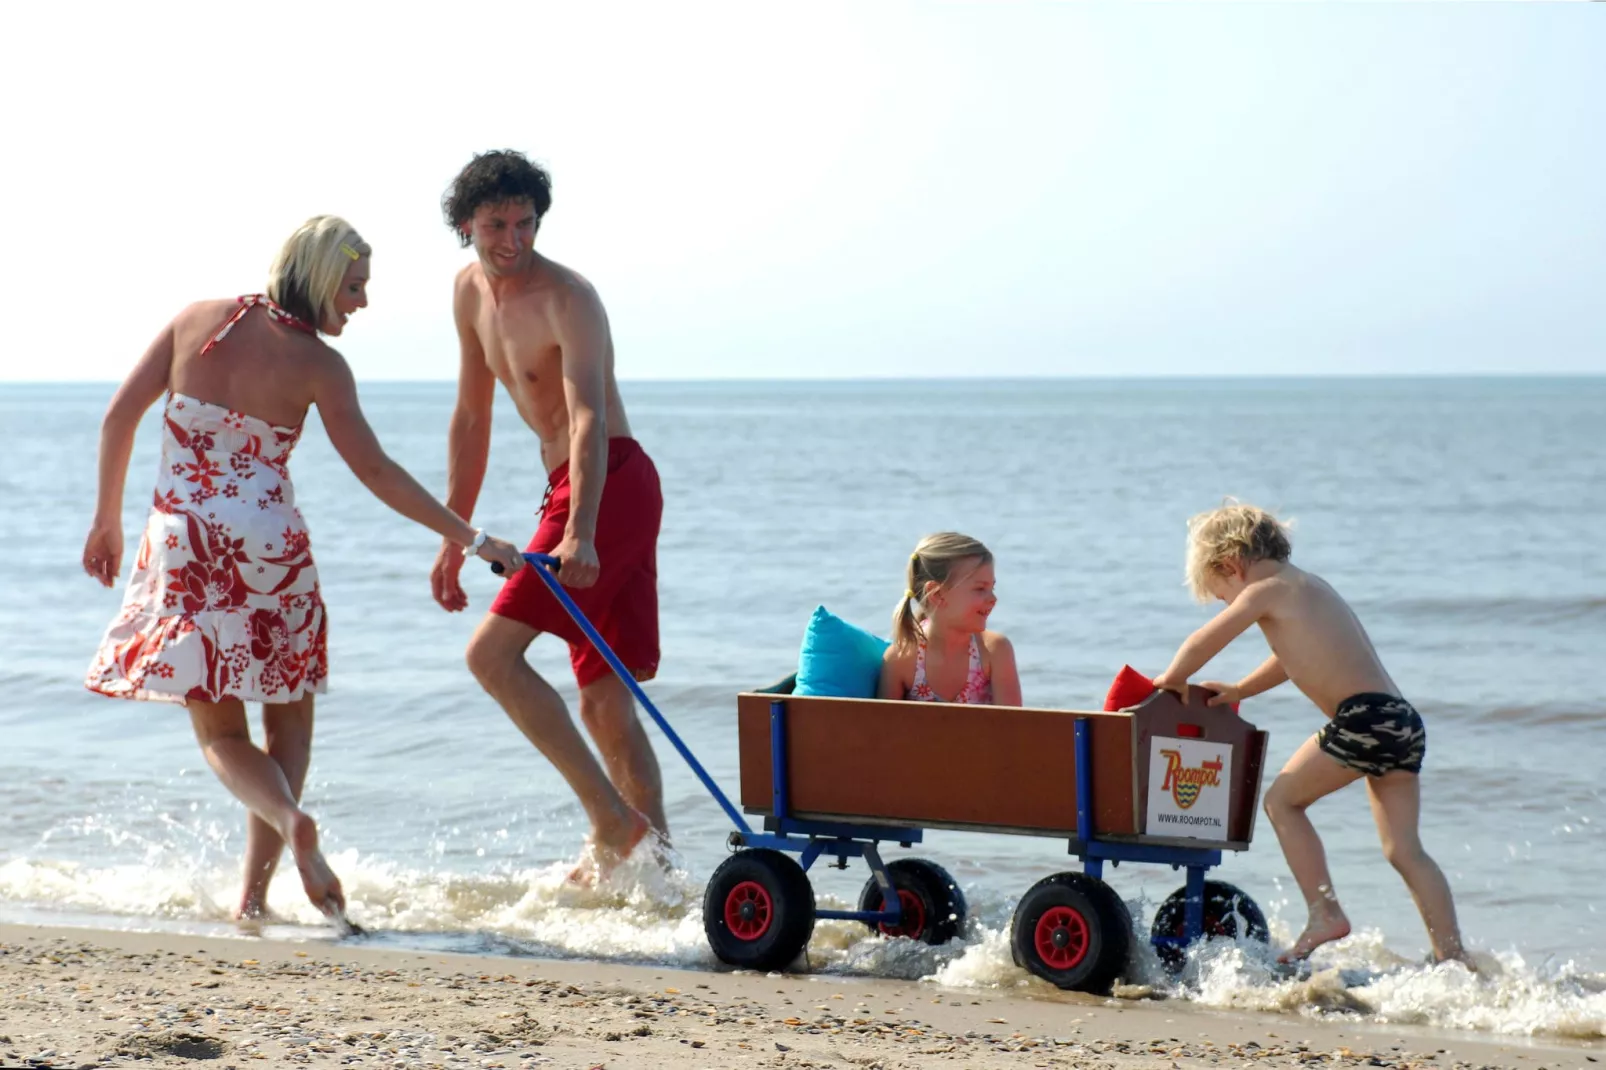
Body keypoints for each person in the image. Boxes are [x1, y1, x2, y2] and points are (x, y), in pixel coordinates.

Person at [82, 216, 526, 926]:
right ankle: (268, 868)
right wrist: (470, 538)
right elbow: (378, 472)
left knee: (223, 738)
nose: (362, 303)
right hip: (270, 553)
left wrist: (106, 519)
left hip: (187, 549)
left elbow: (118, 418)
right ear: (320, 279)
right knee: (287, 729)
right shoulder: (319, 366)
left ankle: (271, 865)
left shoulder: (198, 320)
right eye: (353, 288)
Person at [429, 150, 665, 883]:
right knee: (602, 703)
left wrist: (581, 530)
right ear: (464, 223)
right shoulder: (468, 293)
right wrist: (452, 536)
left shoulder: (570, 296)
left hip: (610, 487)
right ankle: (656, 873)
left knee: (490, 656)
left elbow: (589, 416)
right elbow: (472, 419)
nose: (513, 238)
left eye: (525, 222)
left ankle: (611, 826)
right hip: (570, 492)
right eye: (496, 223)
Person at [1151, 501, 1470, 965]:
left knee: (1281, 801)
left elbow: (1208, 638)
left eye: (1222, 594)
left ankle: (1325, 912)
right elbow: (1290, 657)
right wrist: (1242, 688)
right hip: (1402, 722)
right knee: (1404, 848)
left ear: (1231, 565)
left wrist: (1173, 678)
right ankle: (1452, 956)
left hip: (1363, 718)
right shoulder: (1310, 587)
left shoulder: (1266, 591)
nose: (1229, 604)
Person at [878, 533, 1022, 706]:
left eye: (992, 587)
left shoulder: (994, 651)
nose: (993, 598)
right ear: (937, 594)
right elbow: (883, 728)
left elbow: (1013, 727)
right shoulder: (901, 658)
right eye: (980, 588)